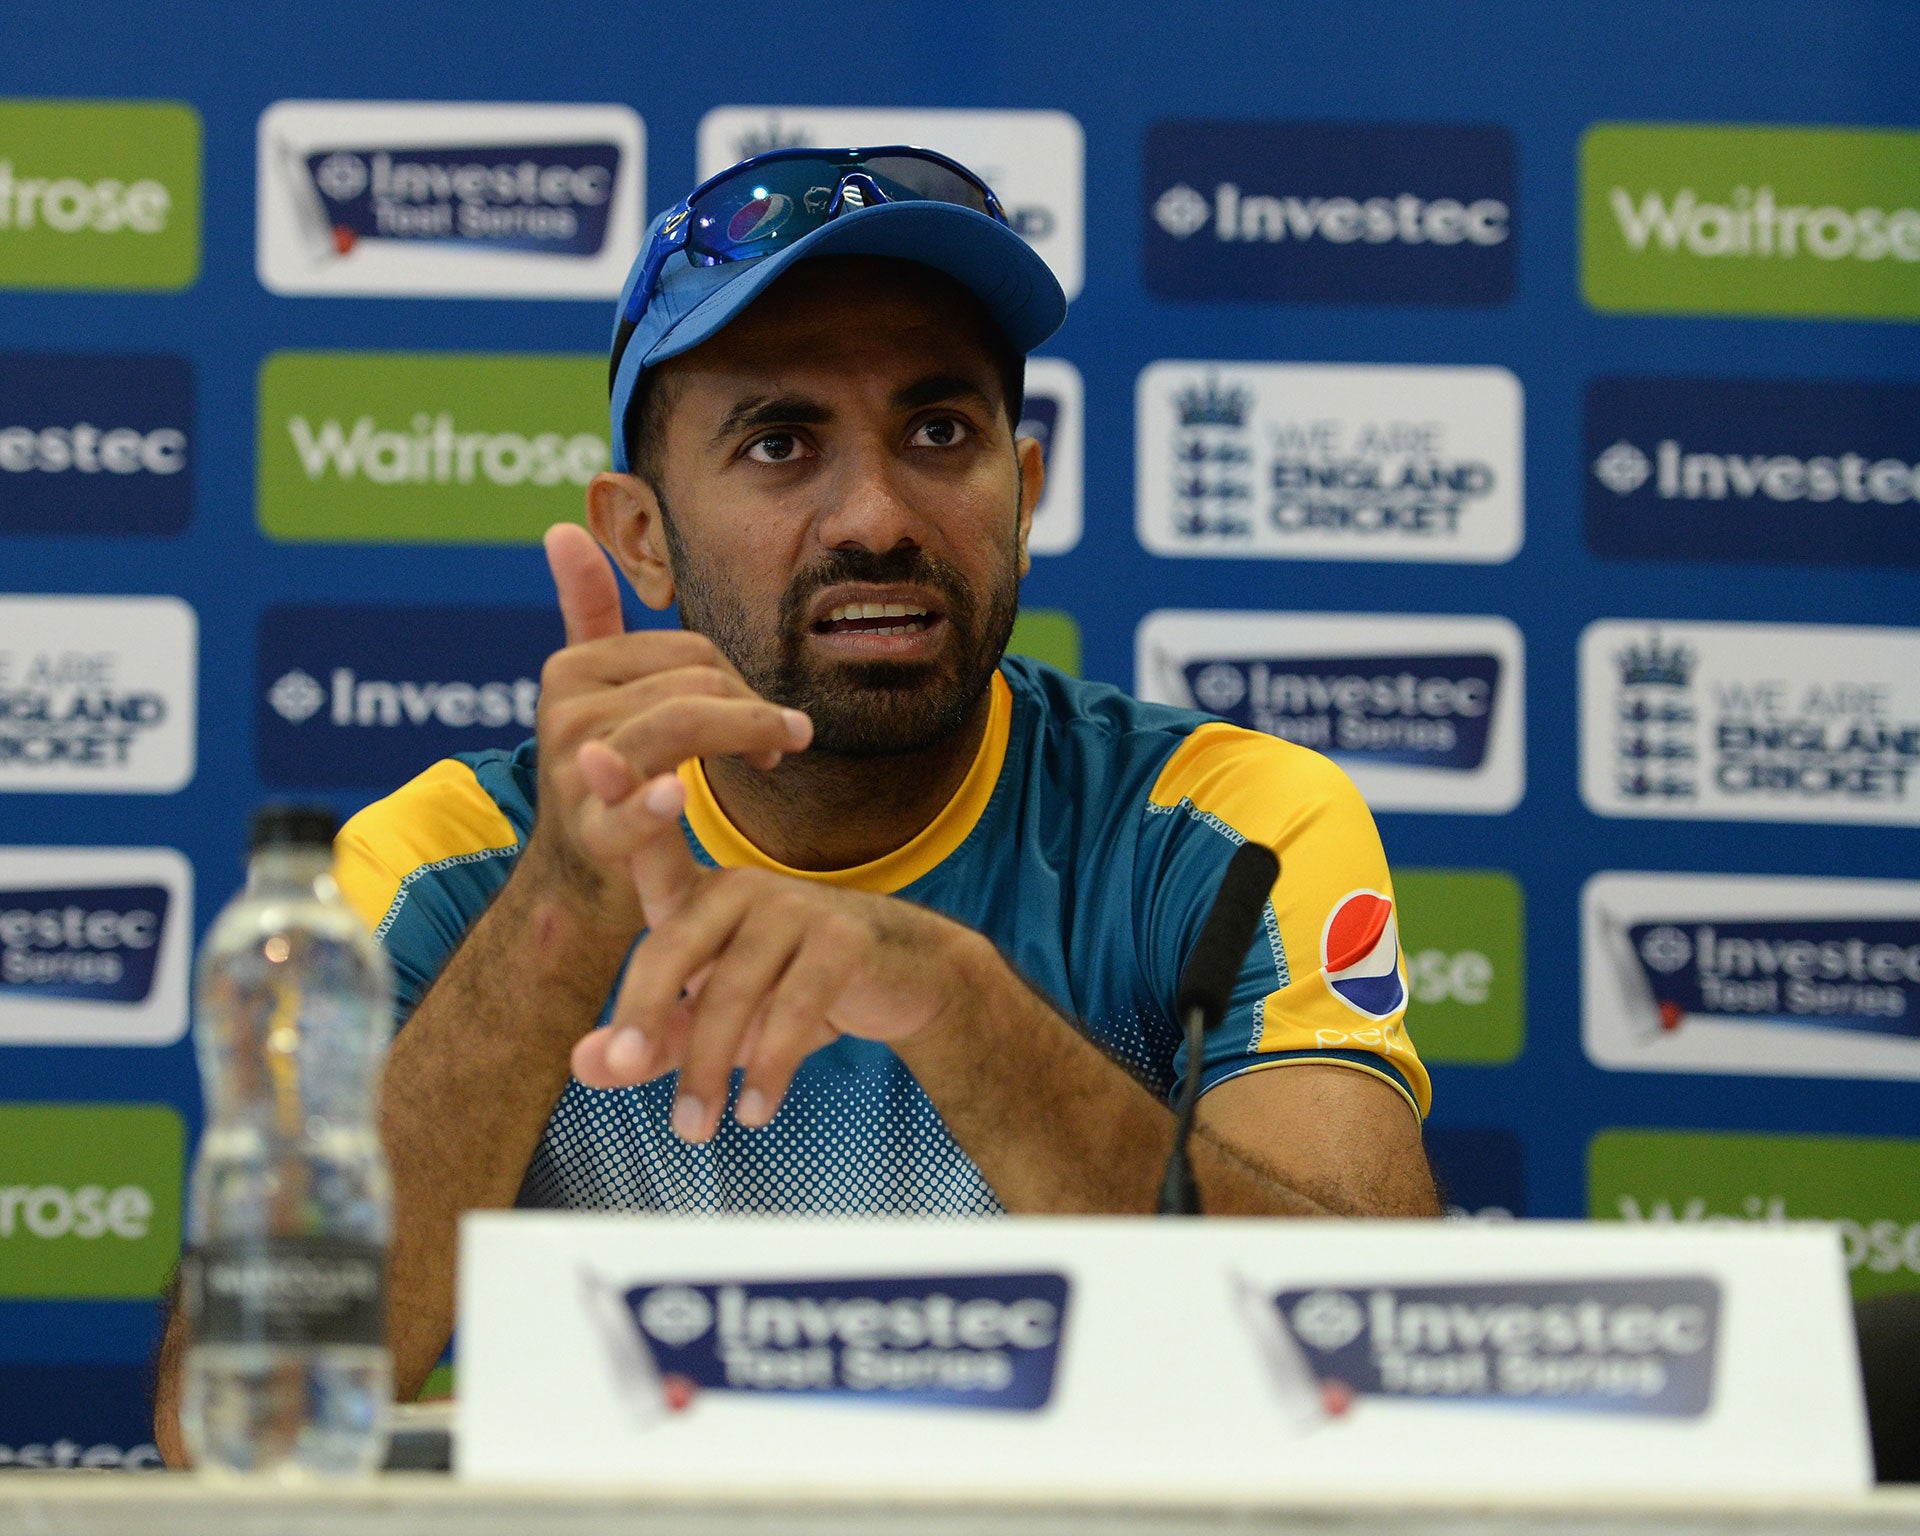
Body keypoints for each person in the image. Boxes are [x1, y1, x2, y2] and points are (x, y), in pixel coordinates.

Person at [154, 147, 1438, 1451]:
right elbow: (239, 1416)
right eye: (780, 443)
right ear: (639, 534)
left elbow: (1391, 1389)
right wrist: (558, 925)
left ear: (1026, 492)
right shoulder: (451, 861)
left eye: (941, 432)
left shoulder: (1229, 826)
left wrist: (968, 1017)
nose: (877, 515)